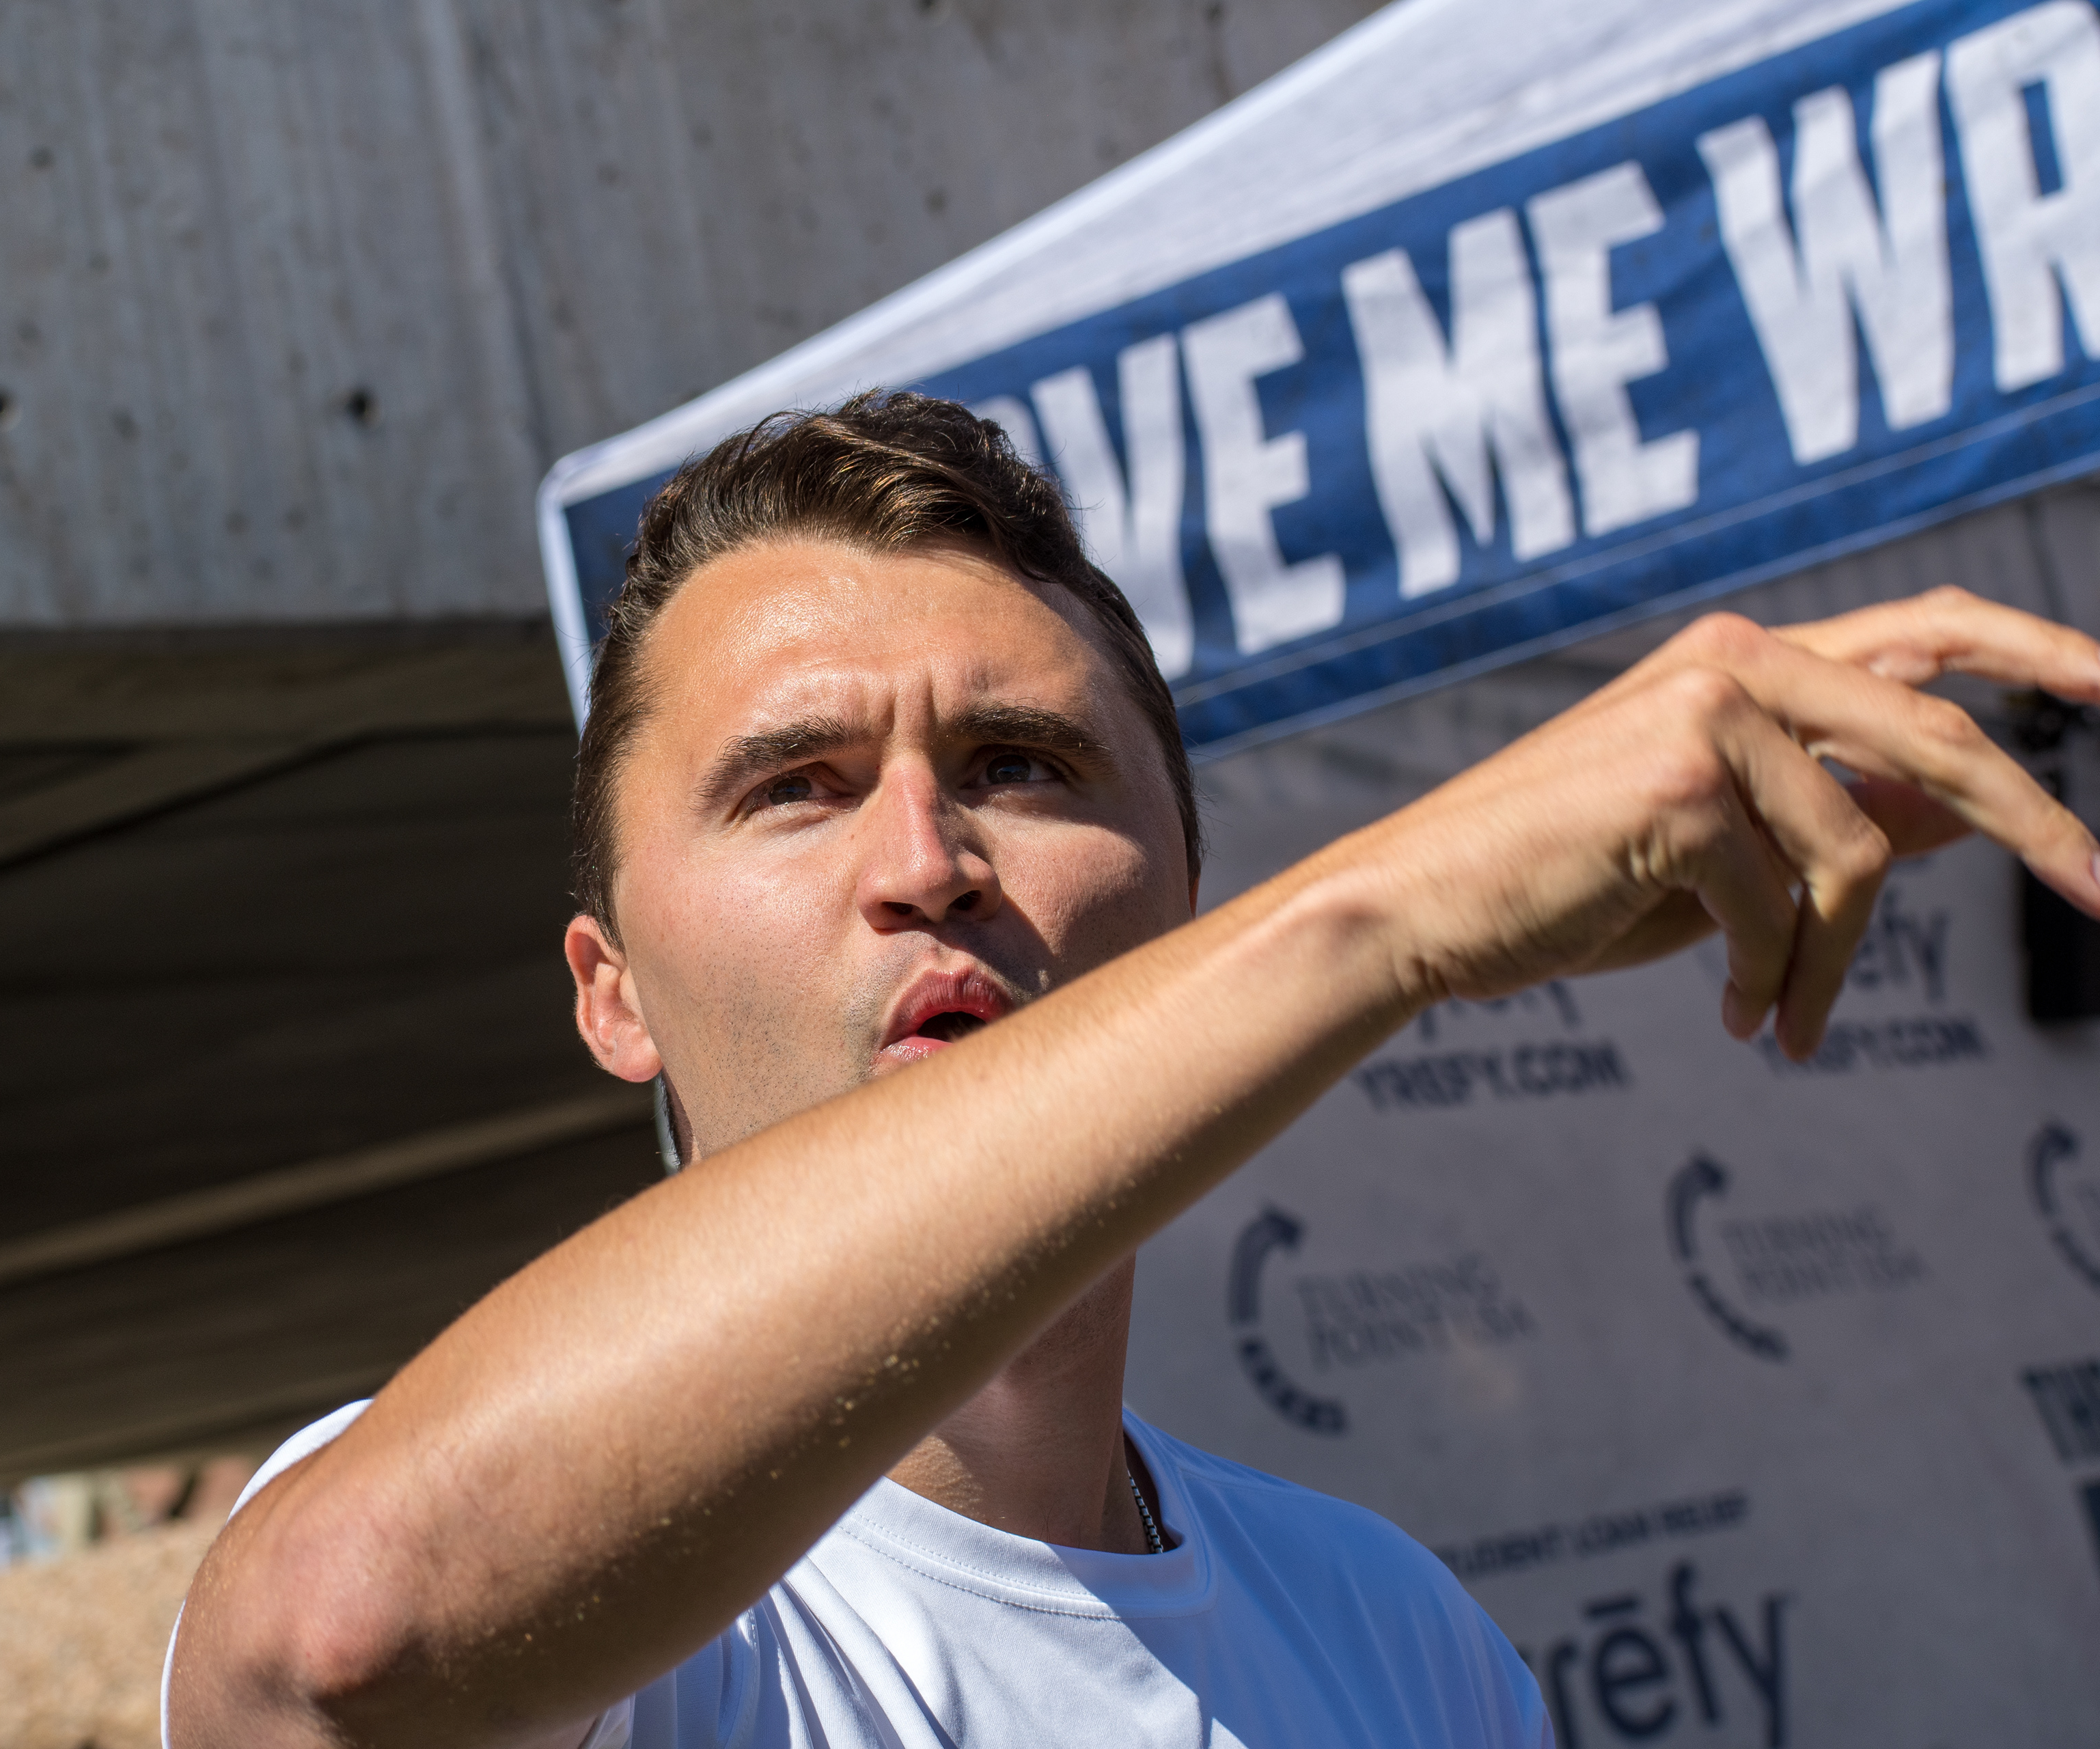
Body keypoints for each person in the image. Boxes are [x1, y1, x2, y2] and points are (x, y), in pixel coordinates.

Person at [162, 392, 2100, 1748]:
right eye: (797, 789)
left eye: (1021, 765)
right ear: (615, 994)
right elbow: (358, 1640)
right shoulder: (587, 1620)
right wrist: (1388, 913)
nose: (927, 862)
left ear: (1182, 909)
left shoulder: (1392, 1632)